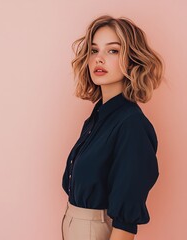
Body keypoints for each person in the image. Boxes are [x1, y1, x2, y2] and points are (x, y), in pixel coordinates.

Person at [61, 15, 164, 240]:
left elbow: (125, 222)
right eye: (94, 50)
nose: (99, 59)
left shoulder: (131, 124)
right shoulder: (98, 118)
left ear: (132, 60)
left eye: (113, 51)